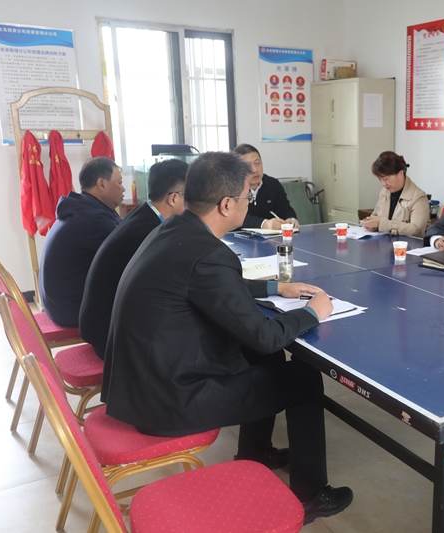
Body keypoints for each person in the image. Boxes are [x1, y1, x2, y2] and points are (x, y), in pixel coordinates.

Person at [101, 151, 353, 523]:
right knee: (301, 378)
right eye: (247, 197)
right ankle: (311, 495)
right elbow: (265, 336)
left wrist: (274, 287)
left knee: (264, 359)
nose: (249, 203)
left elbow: (210, 285)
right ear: (226, 205)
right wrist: (313, 312)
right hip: (169, 402)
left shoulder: (172, 230)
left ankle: (255, 454)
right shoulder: (209, 254)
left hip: (142, 384)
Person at [79, 159, 188, 359]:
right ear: (173, 198)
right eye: (192, 197)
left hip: (101, 325)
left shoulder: (144, 214)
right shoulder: (151, 232)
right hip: (110, 339)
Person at [38, 157, 124, 327]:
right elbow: (130, 254)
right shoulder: (93, 219)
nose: (123, 188)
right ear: (101, 184)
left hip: (59, 305)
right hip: (71, 310)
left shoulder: (85, 209)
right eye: (119, 182)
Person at [360, 151, 429, 237]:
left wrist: (382, 224)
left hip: (407, 244)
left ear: (400, 174)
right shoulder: (384, 192)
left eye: (385, 179)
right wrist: (371, 224)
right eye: (380, 179)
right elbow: (375, 216)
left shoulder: (418, 197)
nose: (383, 184)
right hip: (384, 242)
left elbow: (416, 230)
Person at [233, 143, 299, 230]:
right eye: (248, 166)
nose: (255, 170)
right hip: (238, 235)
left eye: (257, 163)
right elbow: (233, 217)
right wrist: (263, 223)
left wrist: (291, 219)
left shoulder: (272, 184)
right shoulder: (231, 188)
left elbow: (284, 208)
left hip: (271, 236)